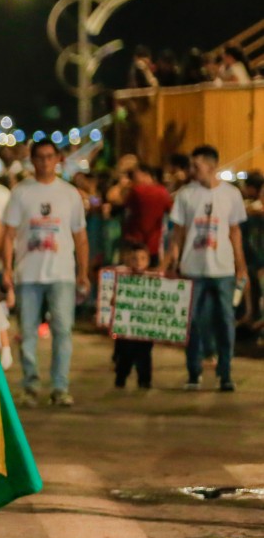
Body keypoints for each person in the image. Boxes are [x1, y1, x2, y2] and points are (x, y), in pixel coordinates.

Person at [0, 141, 90, 407]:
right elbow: (9, 235)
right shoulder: (21, 193)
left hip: (62, 275)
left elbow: (80, 237)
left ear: (58, 159)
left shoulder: (70, 194)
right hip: (28, 274)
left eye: (50, 157)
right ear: (32, 160)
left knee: (63, 331)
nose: (45, 162)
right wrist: (7, 268)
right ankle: (30, 385)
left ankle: (60, 386)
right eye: (40, 157)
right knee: (27, 332)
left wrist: (83, 272)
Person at [163, 144, 248, 392]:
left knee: (225, 320)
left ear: (211, 166)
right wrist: (172, 262)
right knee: (192, 321)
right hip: (193, 267)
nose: (192, 170)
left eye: (196, 165)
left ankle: (226, 373)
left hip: (222, 269)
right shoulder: (185, 195)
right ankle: (194, 371)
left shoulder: (231, 195)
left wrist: (240, 266)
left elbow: (235, 233)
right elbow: (177, 233)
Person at [112, 241, 155, 390]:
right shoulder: (121, 277)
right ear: (128, 260)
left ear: (148, 261)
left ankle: (144, 380)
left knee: (145, 354)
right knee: (126, 353)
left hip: (145, 326)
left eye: (142, 259)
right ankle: (121, 377)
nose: (138, 263)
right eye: (134, 259)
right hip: (126, 327)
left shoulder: (154, 280)